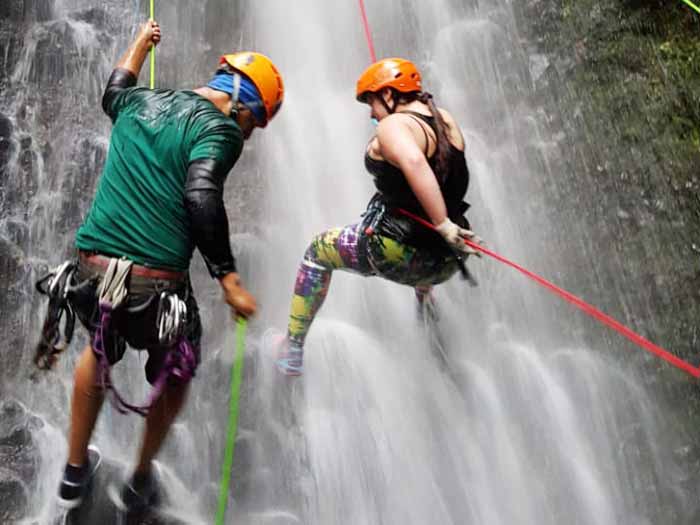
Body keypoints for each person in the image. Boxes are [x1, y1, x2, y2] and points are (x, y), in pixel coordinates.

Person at [53, 20, 284, 514]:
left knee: (99, 346)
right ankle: (139, 480)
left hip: (92, 271)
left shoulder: (141, 101)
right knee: (179, 368)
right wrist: (229, 280)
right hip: (155, 287)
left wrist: (140, 41)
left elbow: (114, 88)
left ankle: (74, 473)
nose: (249, 133)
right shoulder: (219, 128)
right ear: (242, 105)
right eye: (254, 122)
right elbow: (201, 196)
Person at [276, 57, 480, 376]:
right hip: (446, 262)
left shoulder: (393, 126)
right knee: (419, 239)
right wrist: (446, 229)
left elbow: (414, 162)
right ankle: (427, 312)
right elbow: (446, 174)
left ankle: (292, 348)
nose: (371, 113)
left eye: (371, 102)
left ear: (388, 95)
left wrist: (441, 223)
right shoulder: (446, 120)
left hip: (396, 251)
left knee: (317, 252)